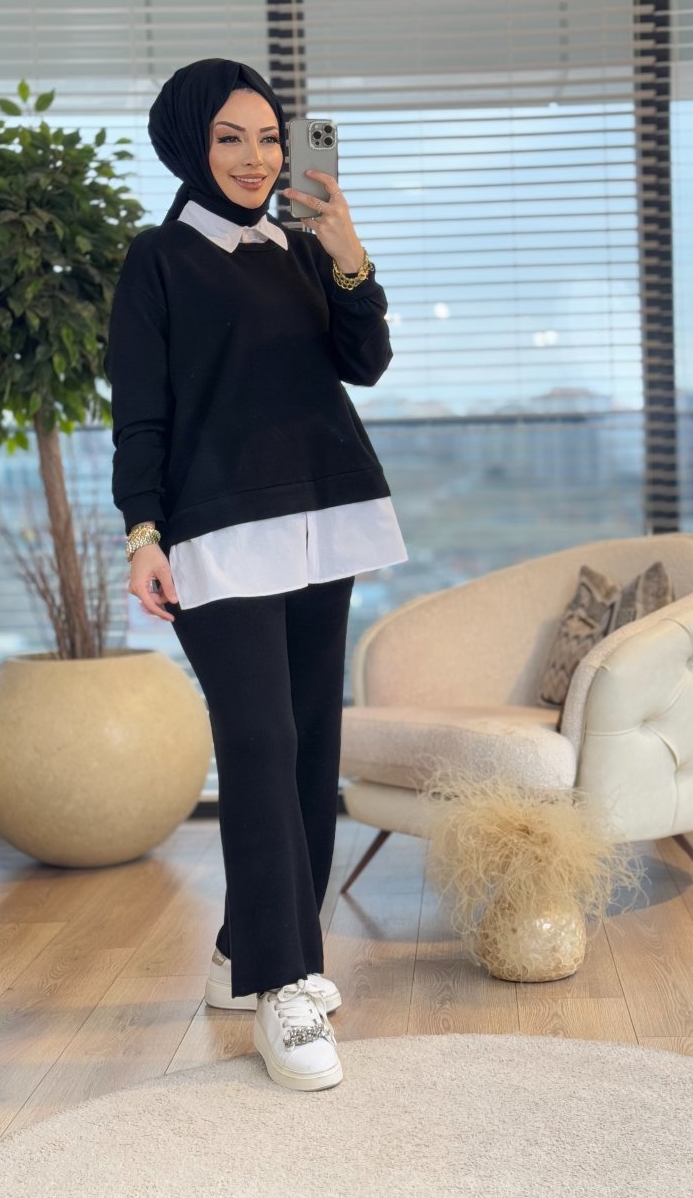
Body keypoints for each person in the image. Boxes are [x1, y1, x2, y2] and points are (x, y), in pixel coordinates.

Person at [105, 58, 407, 1093]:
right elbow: (139, 411)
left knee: (309, 743)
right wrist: (142, 533)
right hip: (216, 534)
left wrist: (349, 255)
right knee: (260, 741)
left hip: (324, 517)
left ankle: (253, 952)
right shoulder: (158, 261)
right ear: (189, 144)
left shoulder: (303, 249)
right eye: (230, 137)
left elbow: (365, 364)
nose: (257, 157)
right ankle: (284, 987)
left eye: (270, 137)